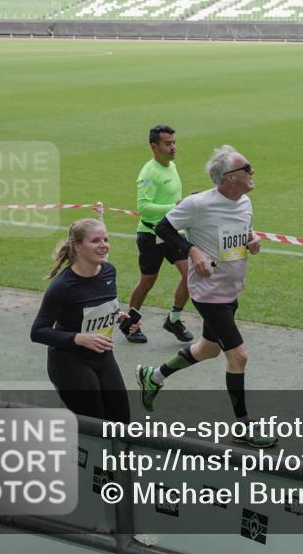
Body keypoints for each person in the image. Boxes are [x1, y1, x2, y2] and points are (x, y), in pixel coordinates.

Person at [136, 146, 276, 448]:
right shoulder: (198, 204)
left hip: (231, 288)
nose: (252, 172)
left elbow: (242, 230)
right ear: (229, 178)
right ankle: (242, 426)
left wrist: (252, 239)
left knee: (209, 349)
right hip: (209, 293)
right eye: (246, 168)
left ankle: (154, 376)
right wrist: (191, 249)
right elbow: (162, 228)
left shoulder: (245, 201)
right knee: (238, 356)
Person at [30, 218, 133, 424]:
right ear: (77, 246)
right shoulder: (62, 286)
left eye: (106, 239)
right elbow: (38, 331)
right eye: (95, 241)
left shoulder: (109, 271)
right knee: (94, 424)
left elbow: (97, 309)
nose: (104, 245)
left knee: (122, 422)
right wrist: (79, 338)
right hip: (69, 362)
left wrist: (117, 317)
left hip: (103, 356)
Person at [119, 124, 193, 344]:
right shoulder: (149, 173)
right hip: (151, 235)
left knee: (192, 275)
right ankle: (128, 323)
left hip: (171, 233)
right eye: (168, 144)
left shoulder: (172, 166)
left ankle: (174, 319)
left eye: (174, 142)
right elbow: (144, 208)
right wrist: (176, 206)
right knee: (148, 281)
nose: (173, 147)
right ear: (154, 146)